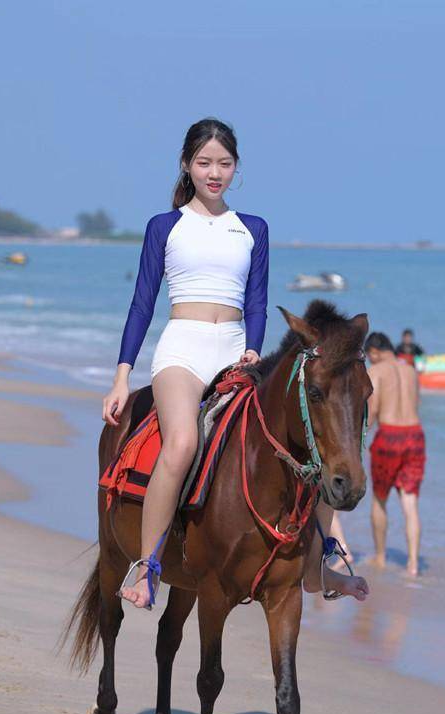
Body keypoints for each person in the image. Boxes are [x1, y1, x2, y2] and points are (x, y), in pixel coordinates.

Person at [103, 117, 367, 608]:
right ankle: (147, 564)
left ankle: (319, 567)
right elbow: (141, 304)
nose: (214, 173)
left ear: (236, 167)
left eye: (224, 163)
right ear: (187, 165)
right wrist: (122, 378)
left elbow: (257, 301)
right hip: (182, 351)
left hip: (234, 352)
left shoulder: (253, 228)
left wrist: (252, 348)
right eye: (204, 163)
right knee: (181, 444)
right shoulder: (165, 227)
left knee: (305, 445)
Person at [365, 332, 426, 577]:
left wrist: (360, 437)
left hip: (389, 437)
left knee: (380, 499)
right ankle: (413, 564)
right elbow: (416, 404)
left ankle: (380, 557)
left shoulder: (375, 372)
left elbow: (373, 411)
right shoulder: (411, 370)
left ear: (374, 352)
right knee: (410, 503)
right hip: (415, 435)